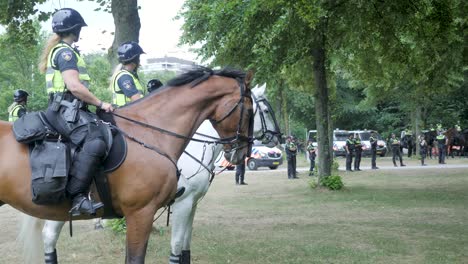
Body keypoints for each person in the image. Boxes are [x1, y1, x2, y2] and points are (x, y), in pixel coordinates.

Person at [39, 8, 113, 216]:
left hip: (69, 109)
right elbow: (75, 87)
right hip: (65, 110)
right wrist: (101, 103)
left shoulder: (66, 50)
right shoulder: (65, 52)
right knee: (95, 142)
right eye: (79, 27)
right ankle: (78, 197)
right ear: (75, 28)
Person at [111, 41, 146, 106]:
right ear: (135, 59)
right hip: (126, 114)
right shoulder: (125, 77)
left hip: (126, 114)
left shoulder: (126, 75)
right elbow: (137, 101)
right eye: (138, 57)